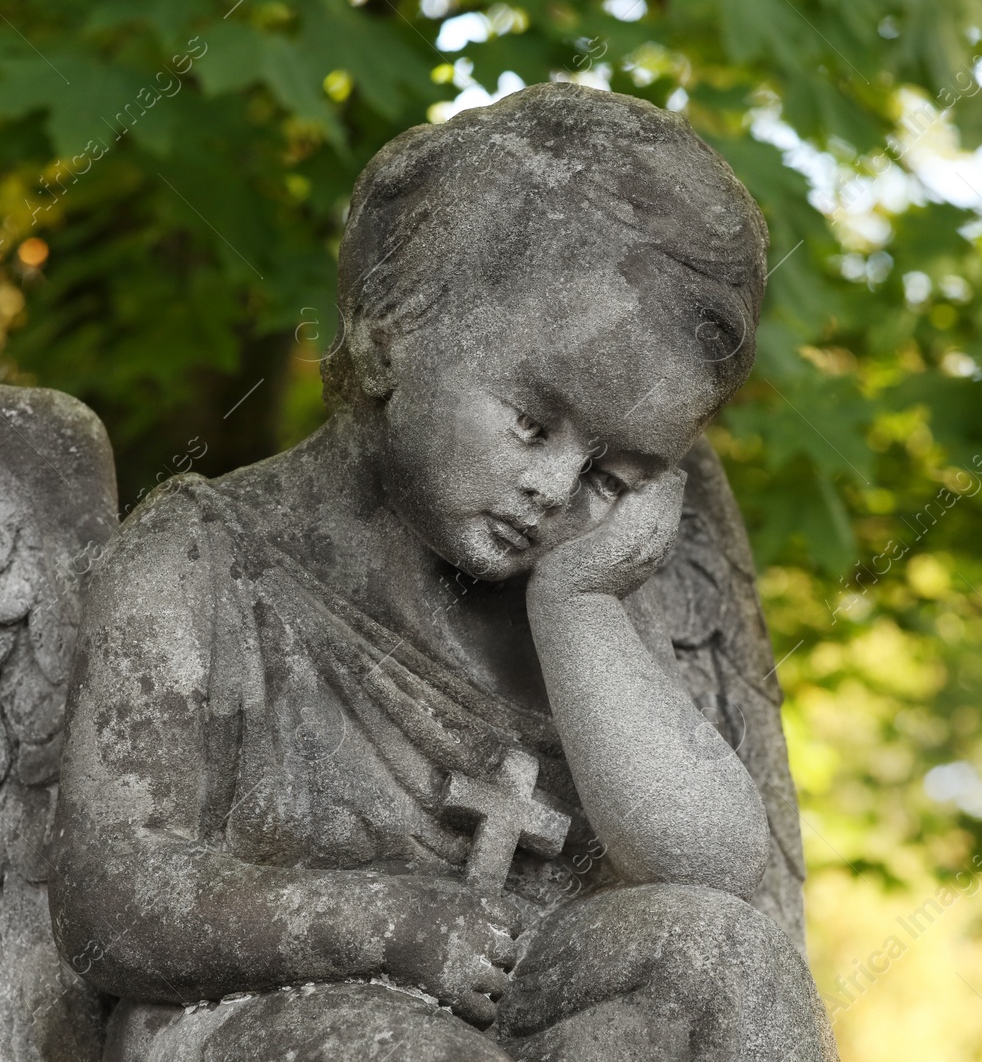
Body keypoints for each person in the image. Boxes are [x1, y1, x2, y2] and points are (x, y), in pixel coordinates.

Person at [50, 82, 837, 1061]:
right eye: (532, 422)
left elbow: (720, 872)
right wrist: (384, 924)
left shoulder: (589, 589)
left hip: (513, 983)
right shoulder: (198, 563)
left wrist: (582, 603)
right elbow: (112, 900)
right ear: (391, 328)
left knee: (723, 961)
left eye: (614, 472)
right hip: (251, 1014)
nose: (555, 486)